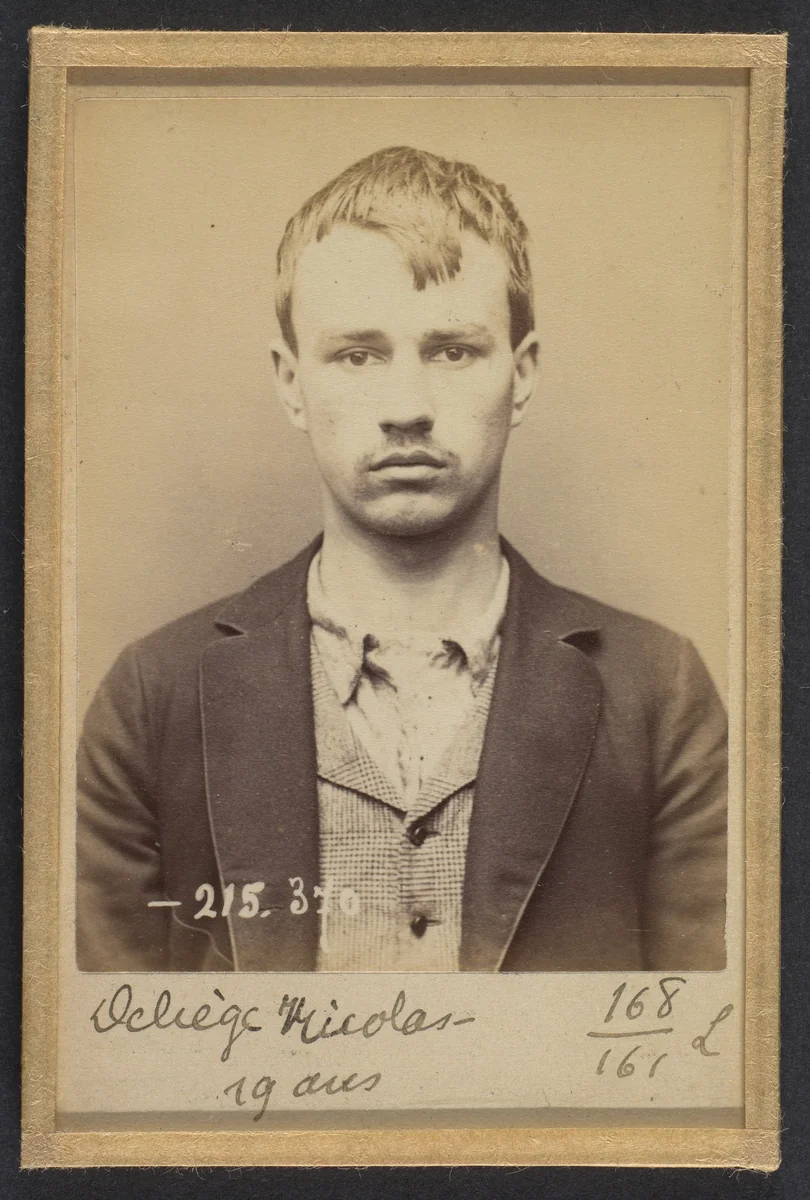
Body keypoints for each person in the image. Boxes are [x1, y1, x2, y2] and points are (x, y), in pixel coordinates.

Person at [76, 145, 727, 974]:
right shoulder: (150, 699)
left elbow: (712, 1056)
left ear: (521, 377)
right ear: (290, 382)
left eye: (453, 350)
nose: (408, 408)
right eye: (358, 355)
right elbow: (108, 1066)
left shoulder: (660, 695)